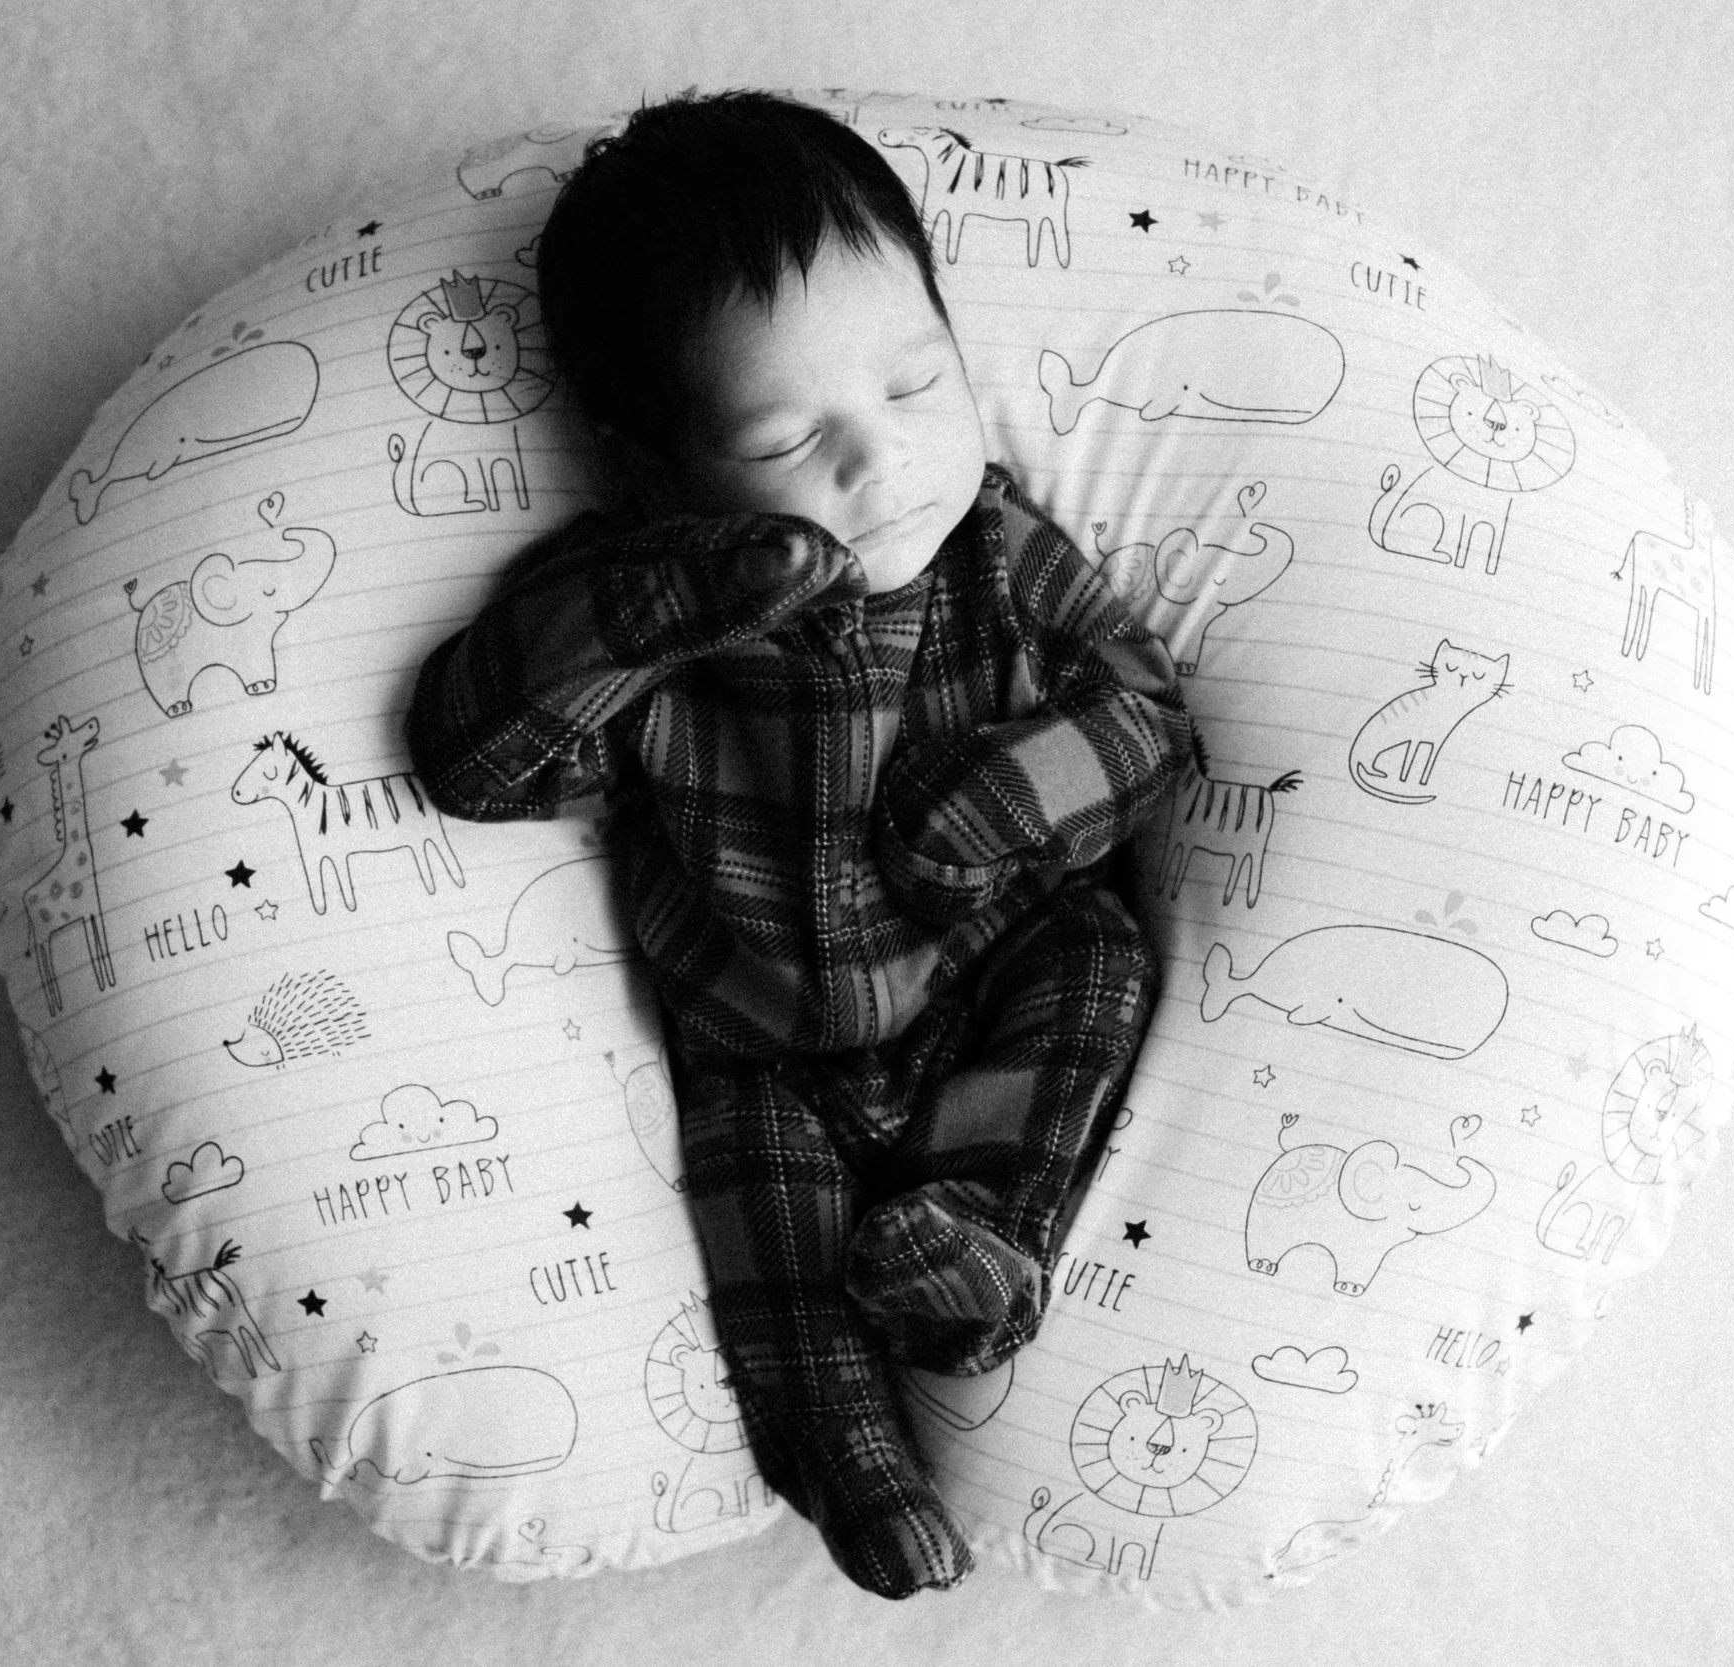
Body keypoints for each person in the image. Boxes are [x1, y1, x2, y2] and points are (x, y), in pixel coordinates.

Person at [406, 89, 1193, 1597]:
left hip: (991, 965)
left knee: (1096, 968)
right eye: (784, 437)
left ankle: (974, 1238)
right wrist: (651, 613)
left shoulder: (995, 555)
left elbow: (1146, 714)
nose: (879, 462)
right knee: (765, 1227)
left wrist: (1004, 802)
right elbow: (475, 758)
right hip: (757, 1041)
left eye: (917, 382)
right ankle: (844, 1452)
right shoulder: (638, 615)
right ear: (656, 468)